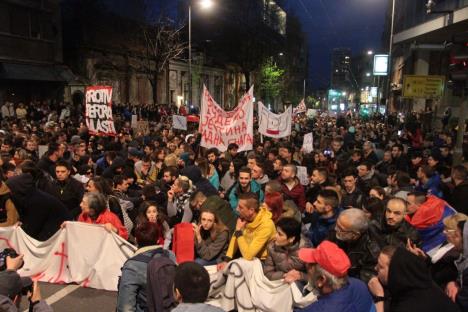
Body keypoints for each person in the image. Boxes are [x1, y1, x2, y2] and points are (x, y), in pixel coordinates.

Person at [368, 245, 460, 312]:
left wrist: (379, 297)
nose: (375, 268)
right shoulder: (423, 283)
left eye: (381, 266)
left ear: (394, 271)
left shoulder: (410, 305)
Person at [295, 241, 375, 312]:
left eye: (310, 265)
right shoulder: (359, 285)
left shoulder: (318, 309)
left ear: (321, 280)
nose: (306, 265)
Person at [117, 222, 175, 312]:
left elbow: (126, 307)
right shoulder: (170, 255)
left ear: (136, 240)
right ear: (158, 240)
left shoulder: (132, 265)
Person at [218, 192, 276, 269]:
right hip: (245, 255)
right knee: (222, 264)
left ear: (251, 210)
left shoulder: (266, 225)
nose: (237, 209)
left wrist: (238, 231)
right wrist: (227, 260)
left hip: (262, 261)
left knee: (234, 269)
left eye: (240, 207)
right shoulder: (245, 217)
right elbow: (235, 238)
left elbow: (248, 256)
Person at [329, 208, 380, 283]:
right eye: (337, 224)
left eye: (340, 229)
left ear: (355, 235)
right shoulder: (342, 228)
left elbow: (365, 279)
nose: (336, 229)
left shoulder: (372, 251)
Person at [264, 217, 311, 283]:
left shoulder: (306, 250)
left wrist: (300, 276)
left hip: (299, 285)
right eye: (276, 232)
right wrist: (284, 275)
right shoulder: (272, 247)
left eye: (280, 234)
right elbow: (267, 273)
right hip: (281, 282)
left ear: (291, 239)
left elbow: (313, 278)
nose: (275, 236)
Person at [442, 214, 468, 311]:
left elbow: (463, 303)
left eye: (447, 231)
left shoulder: (454, 255)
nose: (445, 235)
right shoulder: (463, 256)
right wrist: (453, 283)